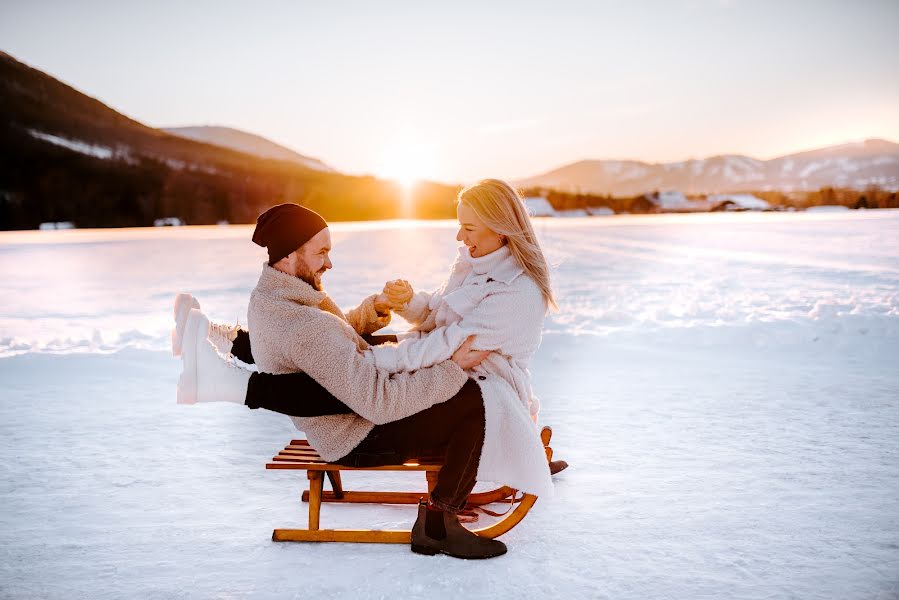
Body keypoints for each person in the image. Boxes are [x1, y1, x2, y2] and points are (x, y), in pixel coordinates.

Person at [176, 179, 560, 557]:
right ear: (291, 255)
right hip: (357, 435)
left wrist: (371, 319)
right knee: (475, 401)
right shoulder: (303, 322)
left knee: (437, 375)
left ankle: (217, 339)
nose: (330, 262)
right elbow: (376, 396)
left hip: (345, 417)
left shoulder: (276, 297)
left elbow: (328, 343)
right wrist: (449, 369)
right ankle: (439, 524)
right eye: (322, 252)